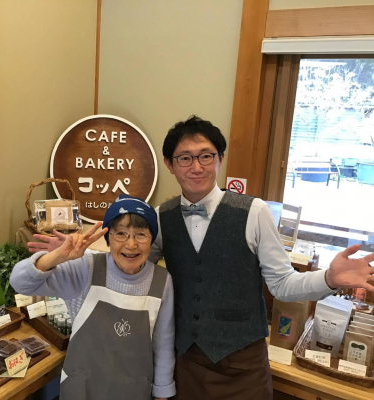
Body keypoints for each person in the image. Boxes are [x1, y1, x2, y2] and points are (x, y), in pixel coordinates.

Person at [29, 115, 374, 399]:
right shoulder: (161, 217)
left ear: (219, 159)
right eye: (185, 158)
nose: (196, 166)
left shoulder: (254, 212)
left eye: (206, 156)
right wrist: (75, 256)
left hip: (244, 365)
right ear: (170, 164)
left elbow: (282, 284)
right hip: (187, 362)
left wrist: (329, 278)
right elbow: (132, 266)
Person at [12, 195, 176, 400]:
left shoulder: (162, 281)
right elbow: (20, 283)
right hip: (82, 389)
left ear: (152, 239)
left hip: (134, 390)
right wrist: (57, 256)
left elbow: (163, 344)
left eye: (141, 234)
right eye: (121, 233)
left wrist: (162, 394)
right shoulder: (86, 268)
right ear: (108, 238)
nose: (131, 244)